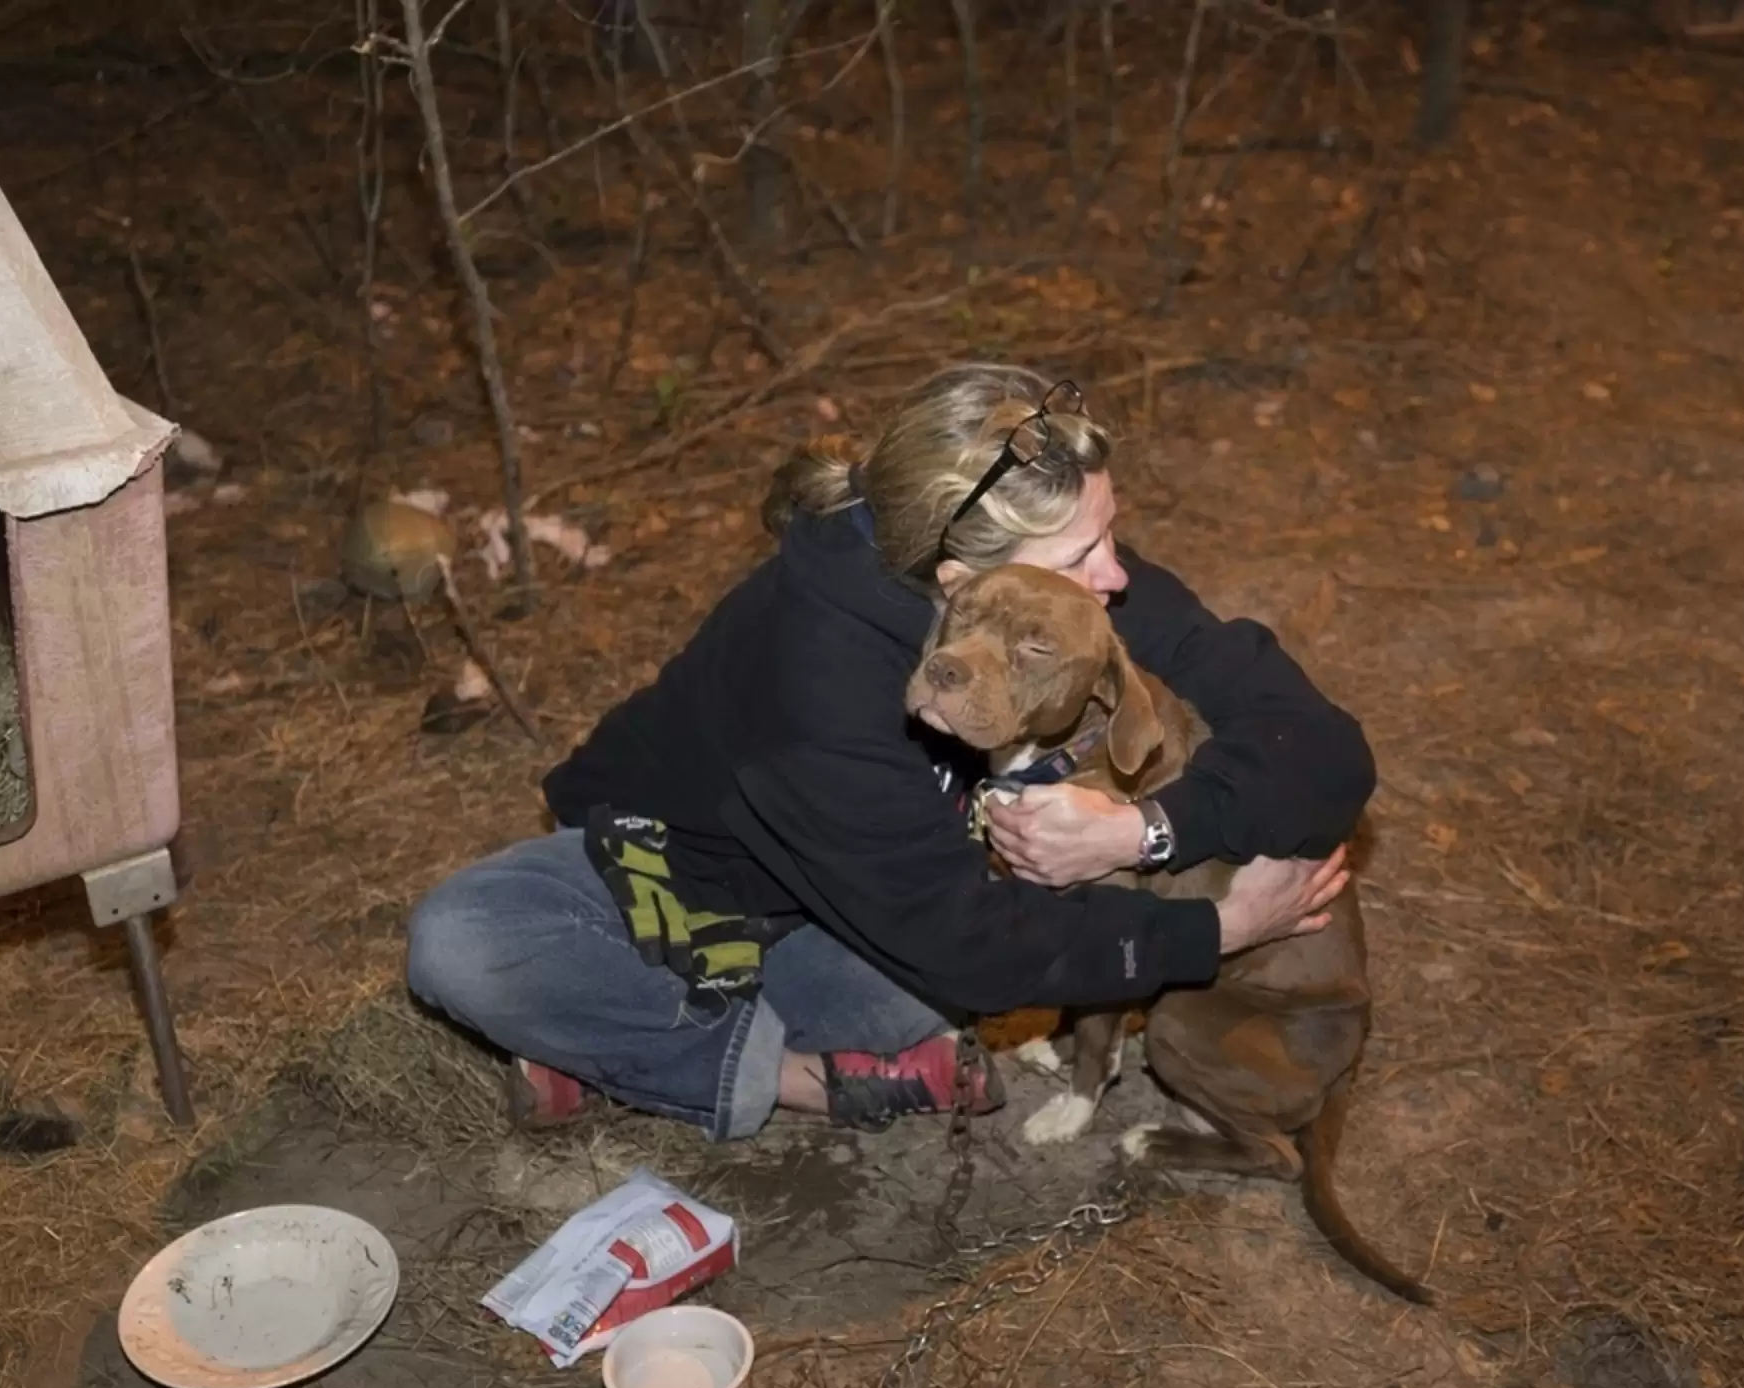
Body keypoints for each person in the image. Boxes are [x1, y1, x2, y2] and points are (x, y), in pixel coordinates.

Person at [406, 364, 1373, 1137]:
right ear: (960, 580)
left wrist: (1150, 830)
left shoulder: (1052, 585)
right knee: (465, 939)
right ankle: (783, 1078)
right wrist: (1213, 935)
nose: (1116, 573)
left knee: (942, 988)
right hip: (695, 878)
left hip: (882, 921)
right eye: (1087, 554)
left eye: (1109, 535)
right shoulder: (810, 677)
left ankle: (623, 1046)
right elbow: (975, 949)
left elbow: (1325, 755)